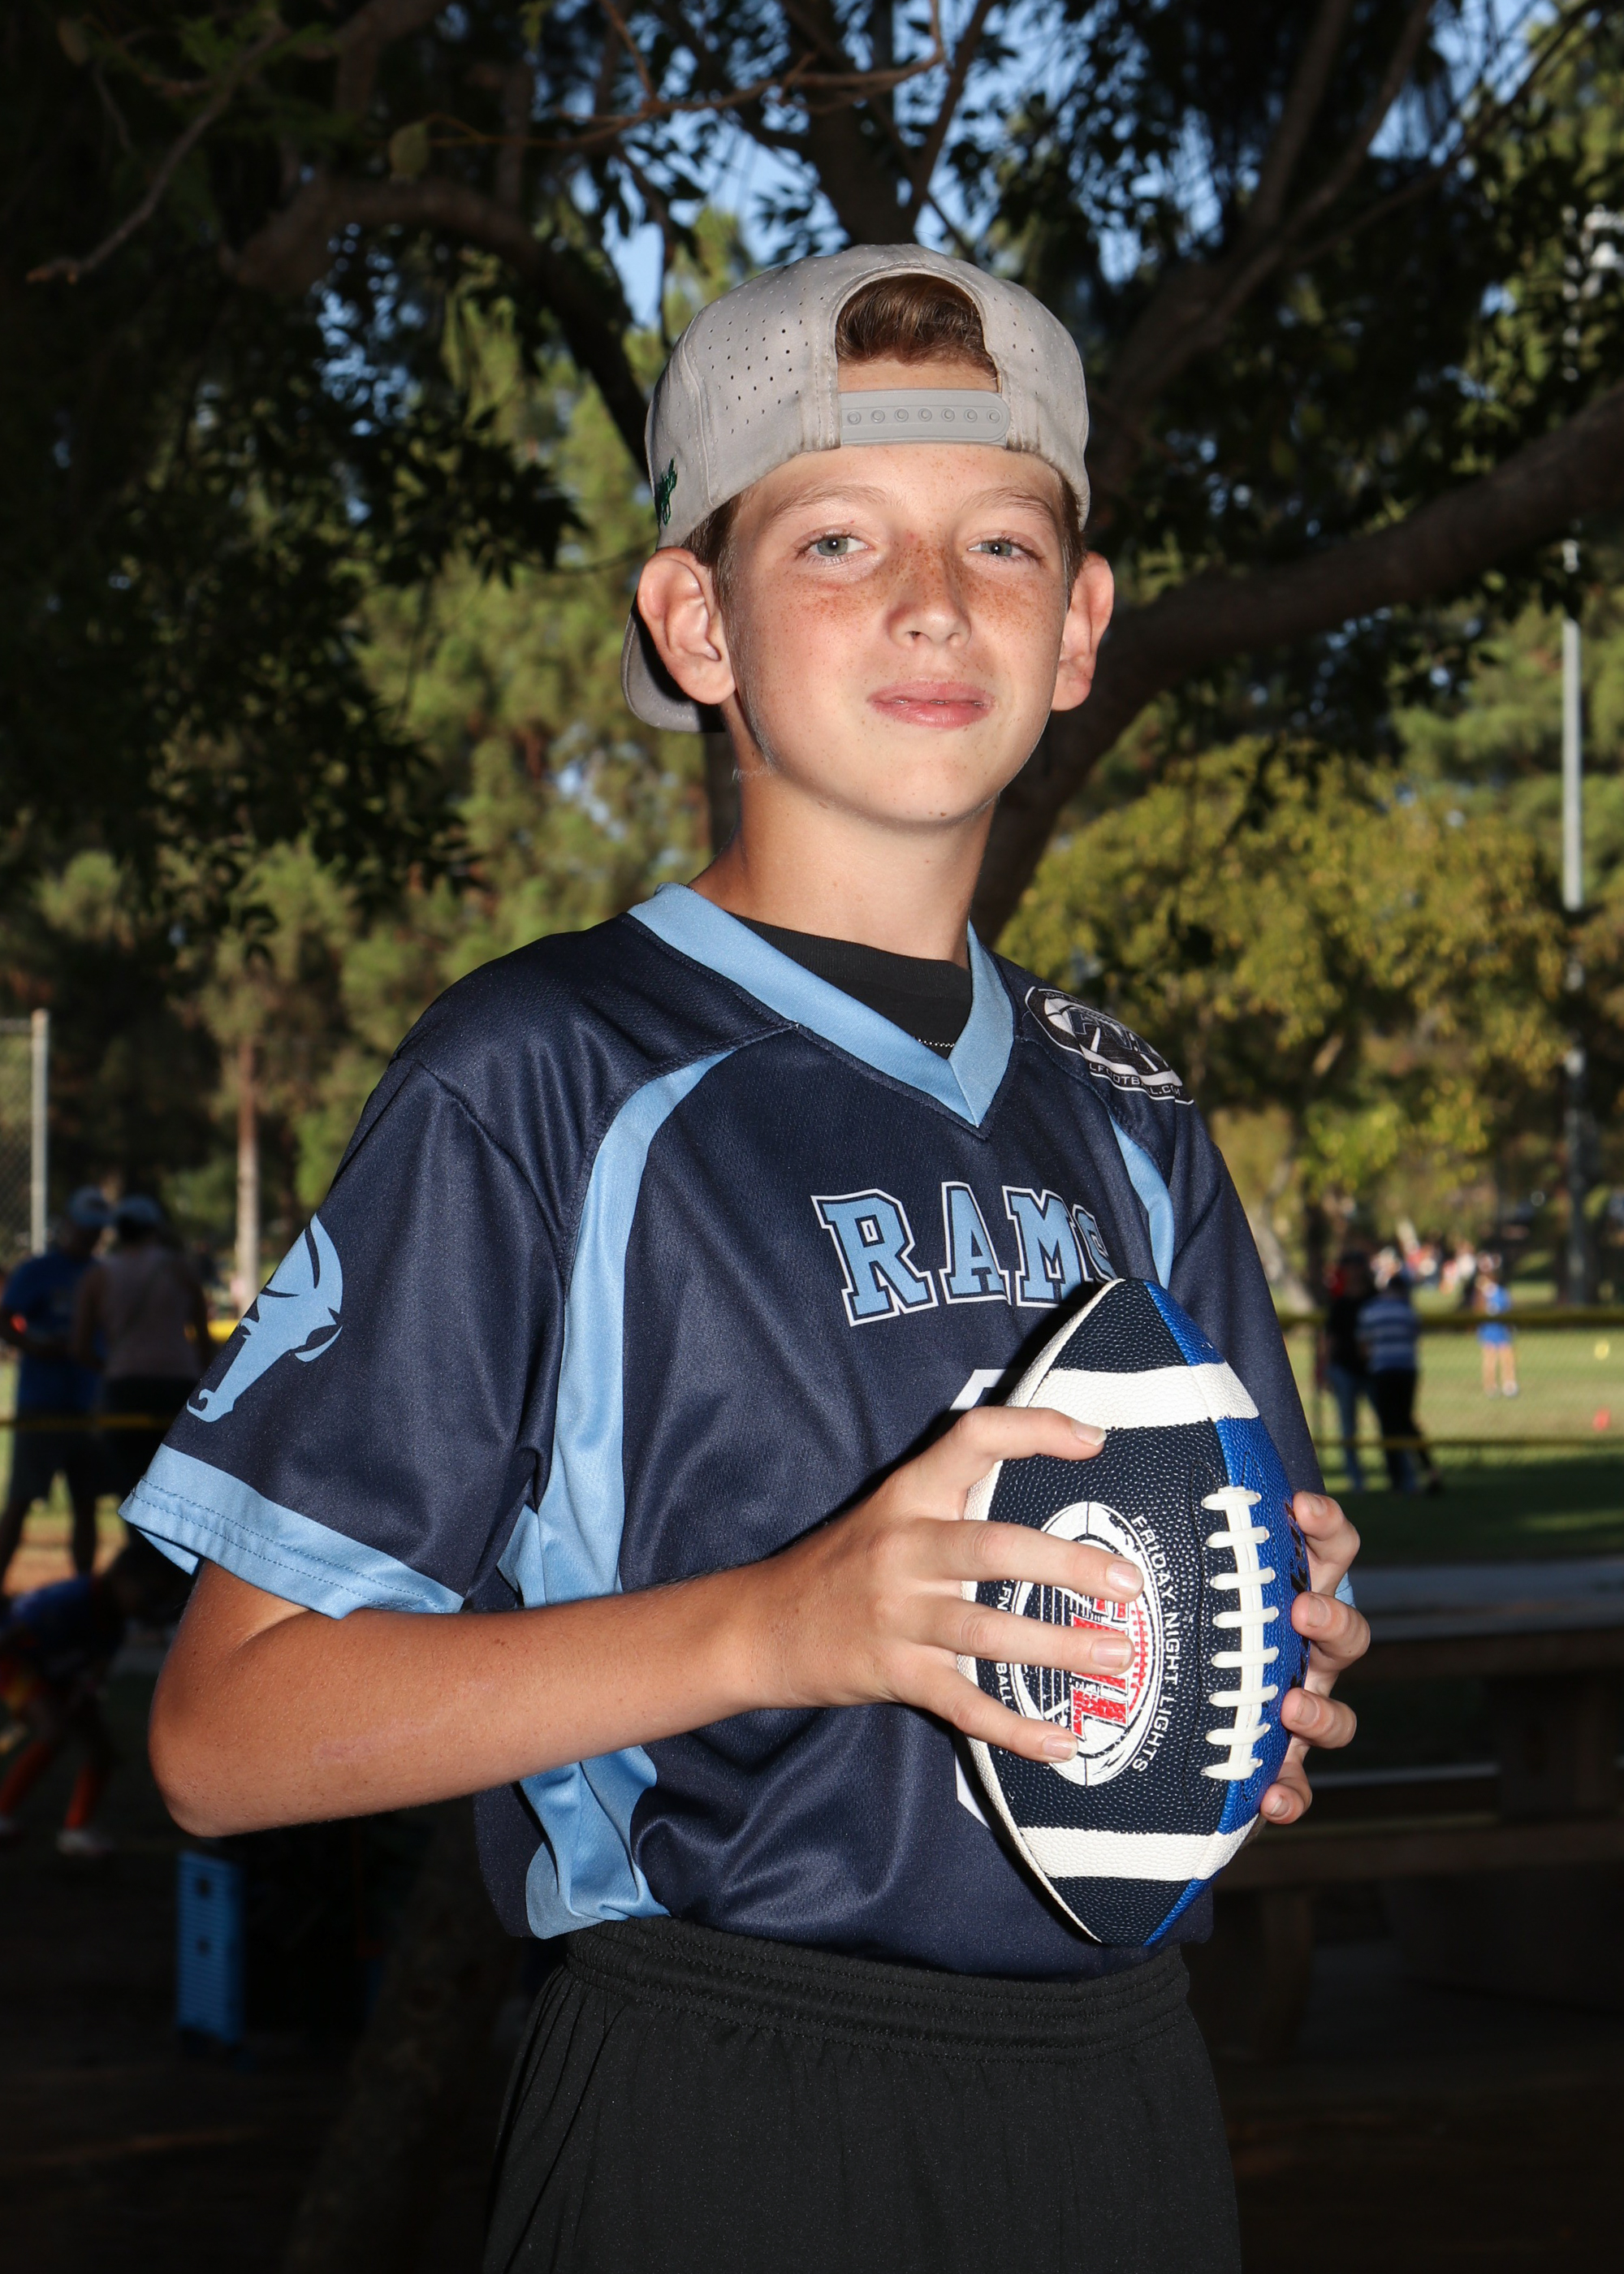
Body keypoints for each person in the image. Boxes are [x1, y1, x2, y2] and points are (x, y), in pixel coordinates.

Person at [133, 251, 1368, 2273]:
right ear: (694, 619)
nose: (930, 599)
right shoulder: (541, 1069)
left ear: (1077, 627)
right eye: (834, 538)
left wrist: (1265, 1675)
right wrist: (784, 1627)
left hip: (1123, 2101)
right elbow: (220, 1741)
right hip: (721, 2097)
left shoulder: (1129, 1108)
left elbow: (1236, 1594)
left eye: (998, 540)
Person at [0, 1536, 184, 1854]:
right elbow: (12, 1635)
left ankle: (77, 1828)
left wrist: (84, 1694)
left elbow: (97, 1671)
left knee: (101, 1752)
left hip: (59, 1674)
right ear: (122, 1578)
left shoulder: (116, 1618)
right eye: (151, 1594)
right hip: (19, 1664)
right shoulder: (73, 1599)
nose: (153, 1605)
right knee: (53, 1731)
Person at [0, 1187, 110, 1587]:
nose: (90, 1235)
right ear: (68, 1225)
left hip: (88, 1401)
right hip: (41, 1402)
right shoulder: (38, 1270)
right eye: (85, 1227)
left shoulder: (104, 1273)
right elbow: (5, 1318)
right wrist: (34, 1345)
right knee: (20, 1501)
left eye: (97, 1228)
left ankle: (83, 1591)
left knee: (86, 1502)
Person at [72, 1196, 210, 1501]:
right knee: (176, 1490)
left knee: (131, 1485)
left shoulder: (97, 1276)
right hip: (178, 1385)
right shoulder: (180, 1269)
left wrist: (112, 1367)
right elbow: (203, 1340)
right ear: (154, 1228)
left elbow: (80, 1347)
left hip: (124, 1388)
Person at [1358, 1269, 1443, 1494]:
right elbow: (1415, 1336)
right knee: (1407, 1422)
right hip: (1406, 1371)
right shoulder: (1408, 1311)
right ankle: (1429, 1470)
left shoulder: (1371, 1310)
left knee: (1388, 1425)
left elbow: (1364, 1345)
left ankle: (1397, 1479)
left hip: (1382, 1372)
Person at [1320, 1249, 1373, 1492]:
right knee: (1348, 1427)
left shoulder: (1374, 1299)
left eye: (1356, 1266)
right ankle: (1356, 1478)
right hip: (1344, 1369)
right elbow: (1330, 1339)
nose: (1352, 1272)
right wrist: (1325, 1368)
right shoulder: (1339, 1303)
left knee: (1389, 1424)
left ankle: (1400, 1477)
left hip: (1374, 1370)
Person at [1475, 1256, 1518, 1397]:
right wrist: (1482, 1294)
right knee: (1490, 1361)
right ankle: (1490, 1386)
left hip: (1502, 1331)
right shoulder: (1481, 1294)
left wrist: (1511, 1328)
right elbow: (1478, 1311)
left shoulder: (1501, 1292)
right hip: (1488, 1331)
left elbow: (1508, 1309)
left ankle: (1509, 1384)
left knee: (1507, 1359)